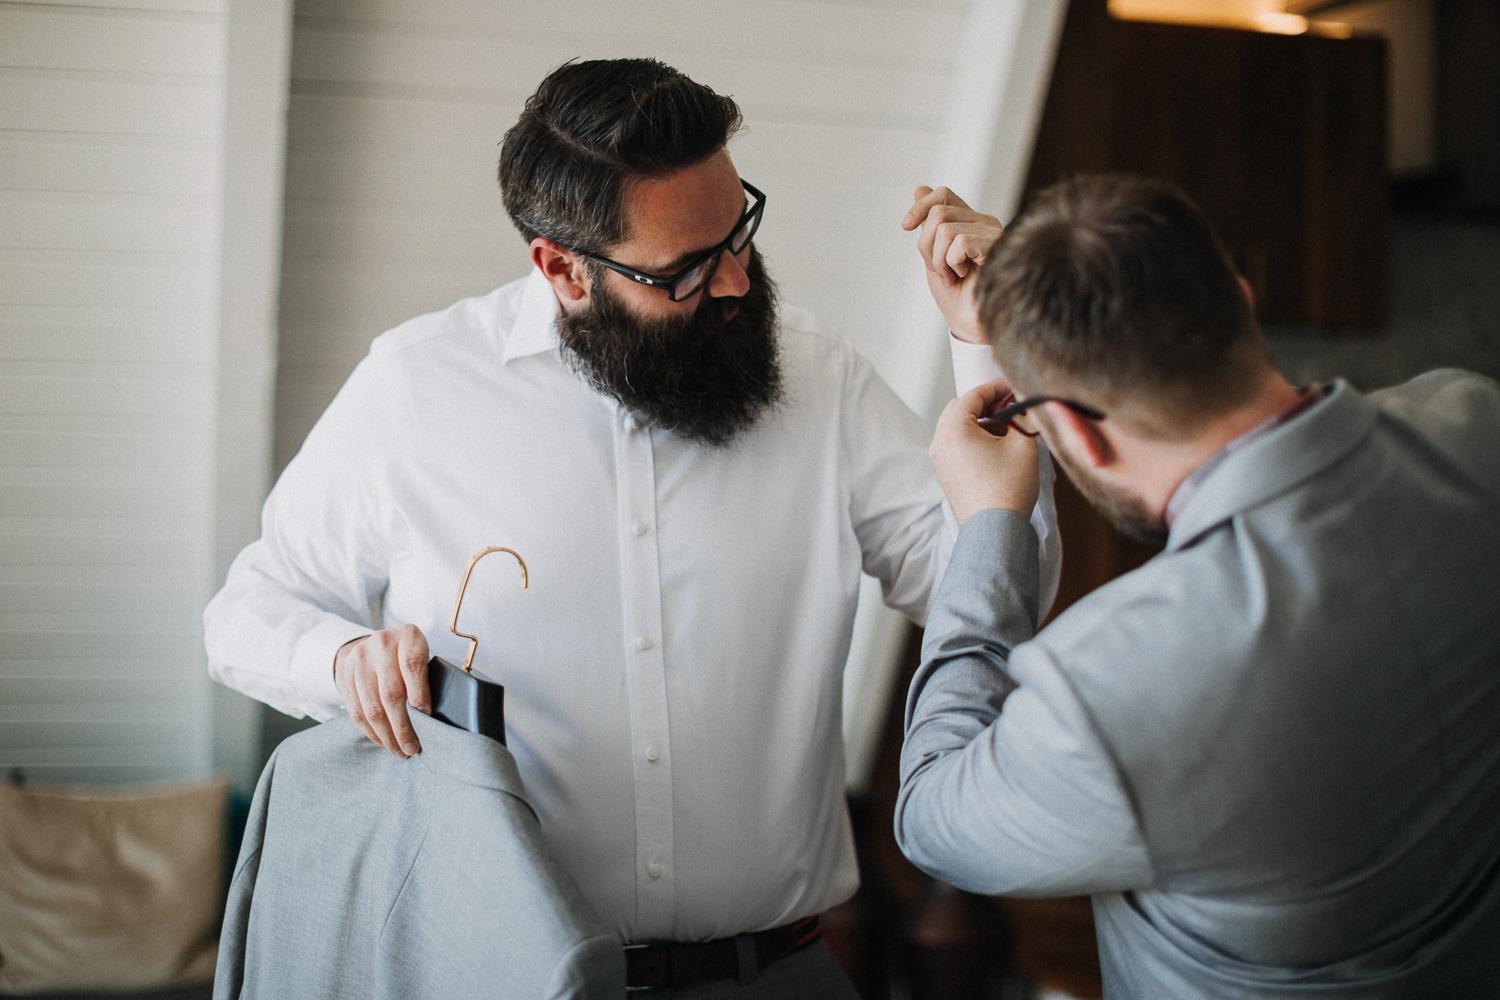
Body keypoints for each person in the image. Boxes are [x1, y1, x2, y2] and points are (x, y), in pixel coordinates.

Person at [204, 58, 1060, 996]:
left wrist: (991, 344)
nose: (734, 281)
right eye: (687, 268)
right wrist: (339, 660)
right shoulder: (415, 388)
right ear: (562, 268)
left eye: (739, 232)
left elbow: (993, 587)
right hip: (508, 977)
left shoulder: (824, 381)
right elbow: (245, 615)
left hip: (781, 972)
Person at [896, 173, 1500, 997]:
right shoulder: (1474, 423)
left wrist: (985, 528)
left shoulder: (1111, 687)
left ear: (1072, 432)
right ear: (1243, 302)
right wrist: (1019, 328)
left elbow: (933, 816)